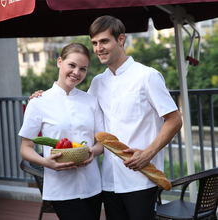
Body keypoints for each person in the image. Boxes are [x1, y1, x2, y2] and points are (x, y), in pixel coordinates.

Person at [30, 16, 182, 220]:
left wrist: (147, 153)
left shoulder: (148, 76)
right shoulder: (97, 82)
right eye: (94, 43)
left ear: (121, 39)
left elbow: (175, 120)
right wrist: (42, 96)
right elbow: (77, 106)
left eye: (104, 41)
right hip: (108, 183)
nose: (98, 47)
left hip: (141, 179)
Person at [19, 43, 104, 220]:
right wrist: (46, 162)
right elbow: (25, 147)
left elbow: (100, 142)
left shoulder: (91, 101)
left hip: (93, 185)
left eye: (83, 69)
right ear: (60, 62)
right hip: (61, 188)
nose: (76, 72)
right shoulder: (38, 102)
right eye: (72, 65)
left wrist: (92, 152)